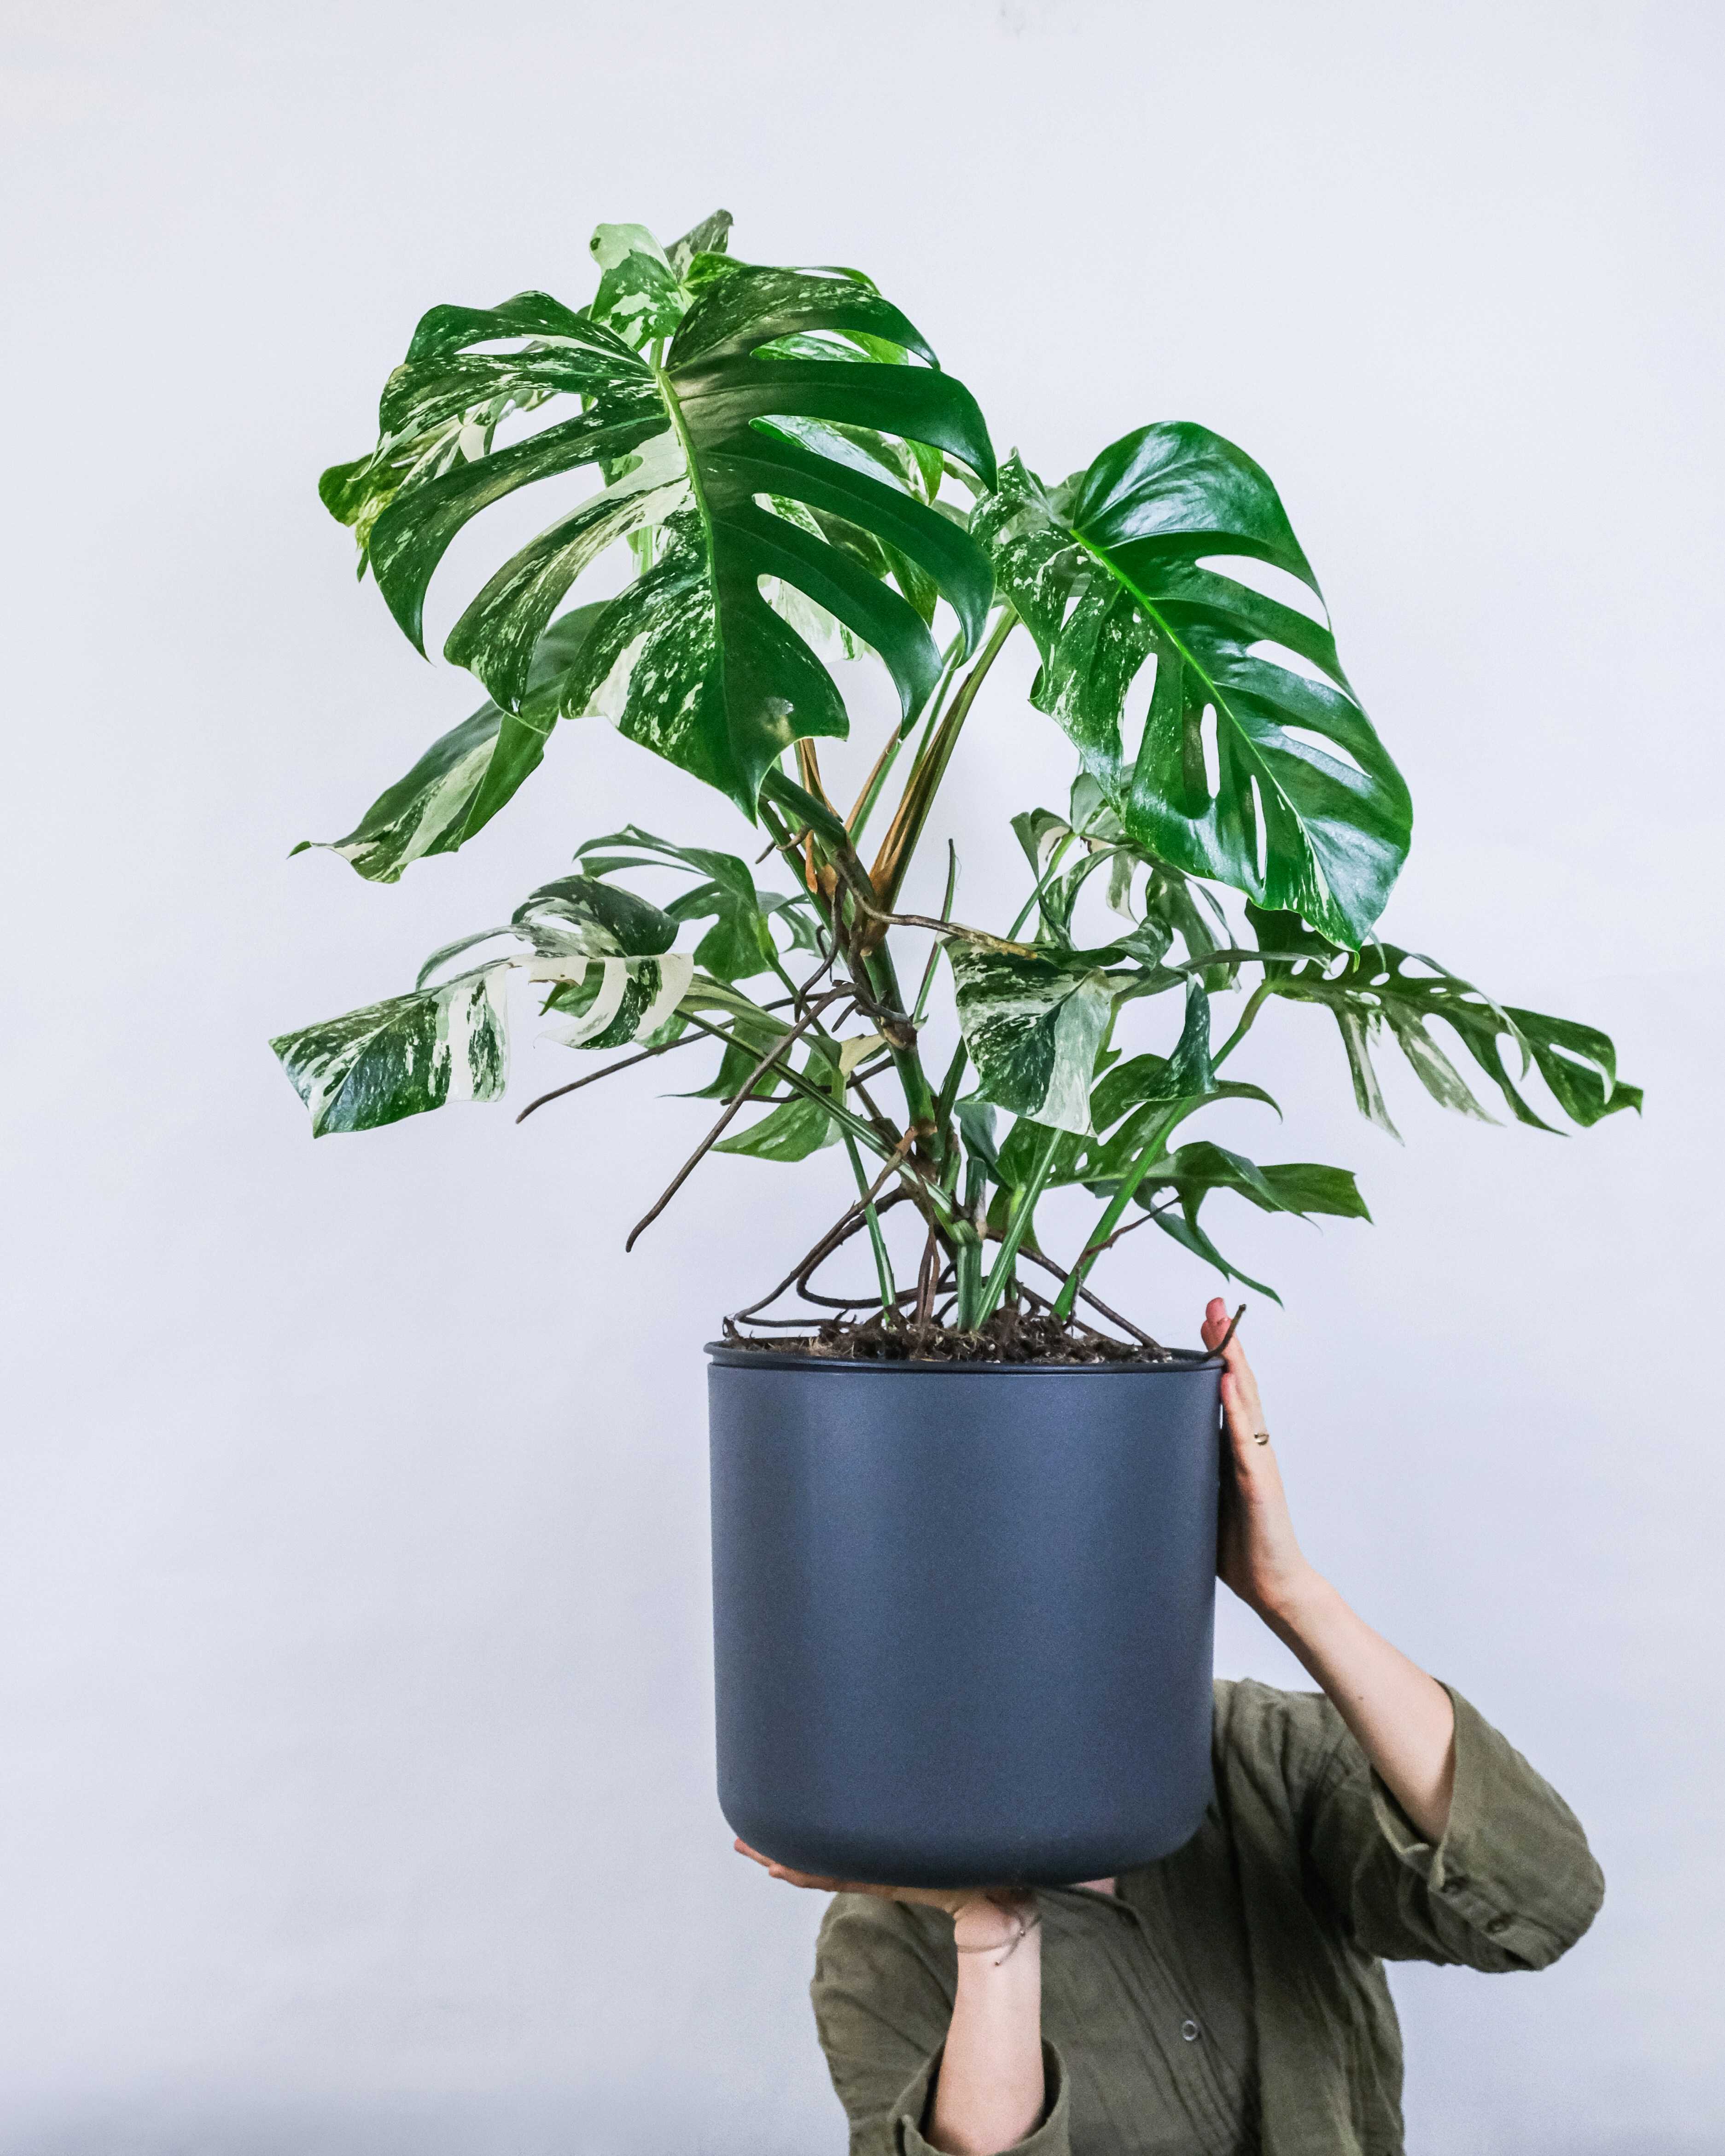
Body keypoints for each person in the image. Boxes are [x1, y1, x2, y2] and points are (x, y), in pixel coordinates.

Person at [737, 1298, 1603, 2156]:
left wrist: (1291, 1594)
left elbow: (1537, 1904)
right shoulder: (881, 1944)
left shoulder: (1260, 1757)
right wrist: (994, 1932)